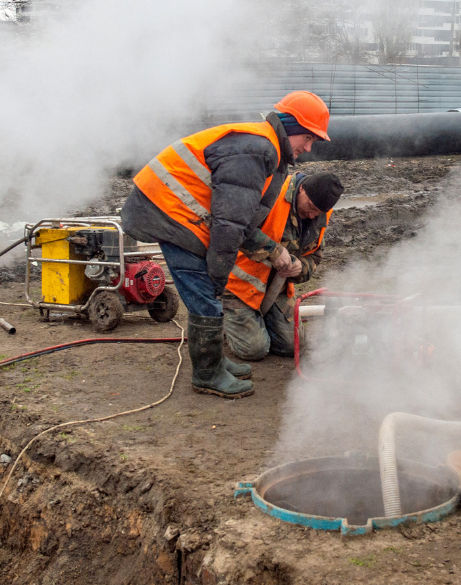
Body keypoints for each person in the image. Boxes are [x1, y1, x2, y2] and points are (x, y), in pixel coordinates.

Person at [120, 91, 331, 399]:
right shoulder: (258, 151)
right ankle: (207, 374)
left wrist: (271, 252)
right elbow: (229, 224)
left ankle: (215, 363)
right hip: (169, 212)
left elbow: (240, 222)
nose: (309, 148)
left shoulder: (265, 147)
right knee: (205, 296)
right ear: (292, 126)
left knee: (207, 292)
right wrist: (219, 276)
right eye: (309, 138)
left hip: (173, 209)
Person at [223, 171, 342, 362]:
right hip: (238, 286)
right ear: (302, 188)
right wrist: (273, 252)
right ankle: (225, 320)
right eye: (310, 207)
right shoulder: (271, 192)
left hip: (274, 289)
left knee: (293, 346)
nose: (312, 215)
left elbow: (315, 256)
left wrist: (300, 267)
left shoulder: (320, 213)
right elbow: (236, 230)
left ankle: (257, 322)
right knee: (254, 349)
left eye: (317, 212)